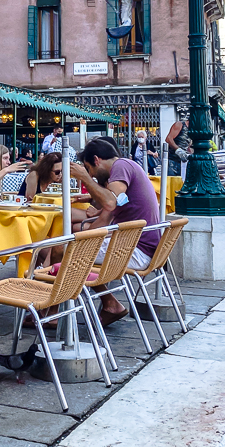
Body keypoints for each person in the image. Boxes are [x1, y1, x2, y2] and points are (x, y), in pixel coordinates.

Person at [71, 137, 162, 327]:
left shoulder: (120, 166)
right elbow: (116, 204)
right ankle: (108, 303)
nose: (93, 175)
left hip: (135, 251)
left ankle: (53, 312)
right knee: (73, 243)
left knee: (66, 252)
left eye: (90, 169)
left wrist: (84, 178)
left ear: (97, 160)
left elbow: (111, 201)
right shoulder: (127, 168)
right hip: (140, 246)